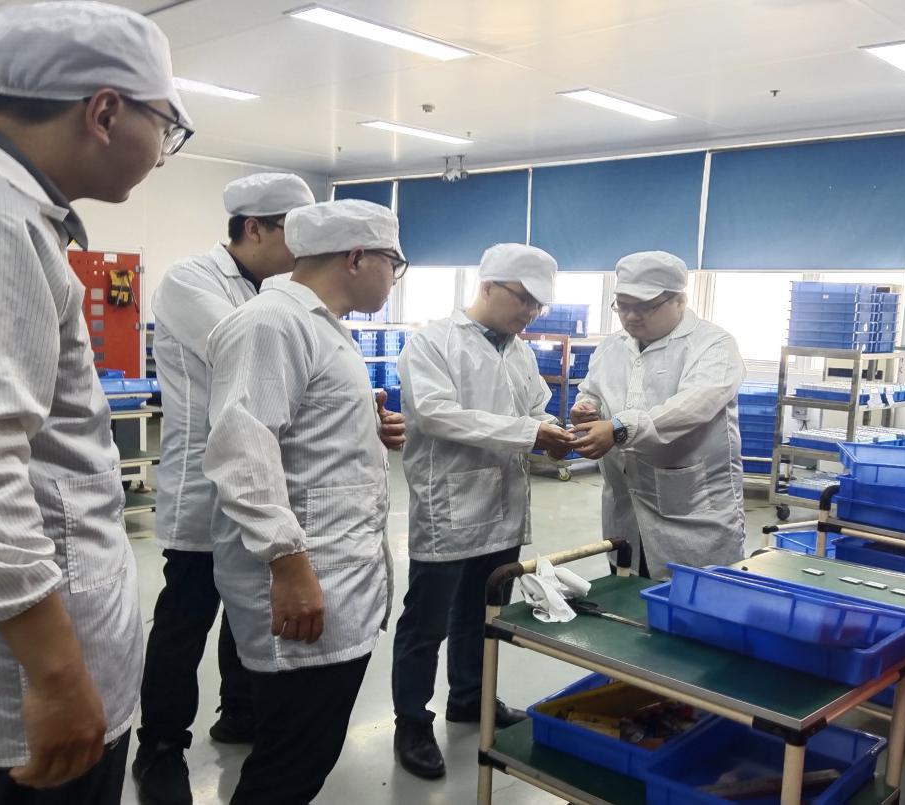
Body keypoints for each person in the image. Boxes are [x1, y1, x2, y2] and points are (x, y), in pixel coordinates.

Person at [0, 2, 192, 803]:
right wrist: (59, 677)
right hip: (17, 684)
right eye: (165, 126)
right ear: (105, 111)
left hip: (4, 657)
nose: (160, 152)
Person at [202, 199, 407, 804]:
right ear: (356, 257)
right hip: (307, 580)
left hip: (337, 571)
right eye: (393, 264)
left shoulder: (321, 324)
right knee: (289, 766)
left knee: (302, 753)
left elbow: (294, 432)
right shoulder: (272, 323)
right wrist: (289, 567)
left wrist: (361, 425)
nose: (394, 279)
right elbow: (243, 450)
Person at [133, 173, 315, 803]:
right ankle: (160, 744)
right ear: (254, 227)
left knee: (250, 607)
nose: (303, 245)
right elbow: (247, 353)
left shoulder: (281, 289)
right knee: (186, 617)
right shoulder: (191, 280)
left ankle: (239, 712)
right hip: (204, 483)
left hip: (264, 475)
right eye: (293, 230)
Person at [391, 244, 573, 779]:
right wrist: (528, 432)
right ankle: (411, 722)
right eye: (524, 300)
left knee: (484, 612)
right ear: (488, 285)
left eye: (538, 305)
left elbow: (535, 407)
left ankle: (470, 697)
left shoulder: (519, 351)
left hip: (503, 506)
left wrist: (556, 430)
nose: (530, 313)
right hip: (450, 506)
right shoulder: (433, 343)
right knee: (427, 622)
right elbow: (436, 414)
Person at [570, 251, 746, 579]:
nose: (631, 316)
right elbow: (592, 390)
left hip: (692, 518)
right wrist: (587, 408)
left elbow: (693, 406)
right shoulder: (612, 346)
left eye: (644, 306)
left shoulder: (714, 345)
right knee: (625, 591)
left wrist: (619, 428)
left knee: (691, 599)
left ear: (680, 300)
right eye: (623, 305)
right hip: (624, 510)